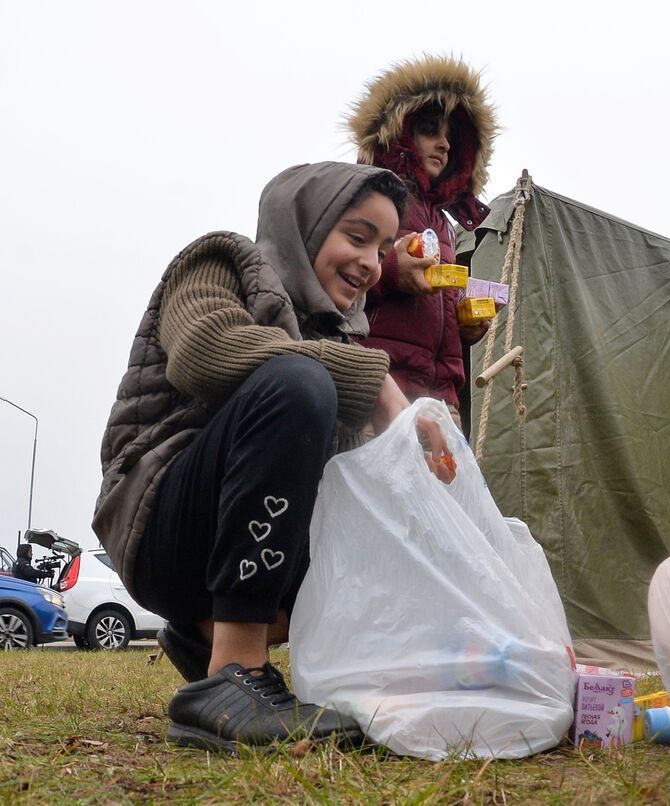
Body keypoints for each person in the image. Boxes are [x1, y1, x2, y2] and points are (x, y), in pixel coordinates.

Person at [92, 162, 448, 753]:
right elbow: (206, 352)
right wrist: (378, 384)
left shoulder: (335, 338)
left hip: (241, 553)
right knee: (298, 382)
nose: (371, 263)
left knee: (379, 528)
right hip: (161, 526)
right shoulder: (219, 262)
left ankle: (207, 633)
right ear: (305, 223)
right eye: (357, 237)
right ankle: (235, 669)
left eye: (383, 249)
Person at [347, 55, 498, 428]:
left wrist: (463, 326)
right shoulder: (368, 194)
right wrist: (390, 270)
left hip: (443, 401)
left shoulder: (444, 225)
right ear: (401, 132)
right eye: (430, 130)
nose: (444, 144)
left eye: (451, 137)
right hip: (382, 390)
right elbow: (327, 277)